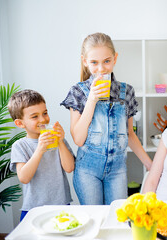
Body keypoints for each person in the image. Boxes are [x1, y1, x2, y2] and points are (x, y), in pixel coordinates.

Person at [60, 32, 152, 205]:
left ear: (115, 59)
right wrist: (92, 100)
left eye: (106, 61)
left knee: (117, 220)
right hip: (87, 171)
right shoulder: (78, 92)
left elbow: (130, 135)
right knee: (95, 221)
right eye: (94, 62)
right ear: (85, 61)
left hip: (117, 171)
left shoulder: (127, 92)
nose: (101, 69)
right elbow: (78, 139)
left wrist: (151, 166)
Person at [8, 89, 74, 221]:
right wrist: (39, 150)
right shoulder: (20, 146)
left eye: (45, 113)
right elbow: (24, 178)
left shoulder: (57, 139)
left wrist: (60, 141)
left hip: (61, 205)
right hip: (33, 208)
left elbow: (69, 167)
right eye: (35, 116)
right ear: (20, 123)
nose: (43, 119)